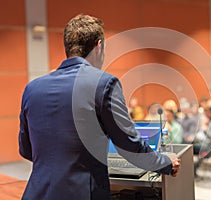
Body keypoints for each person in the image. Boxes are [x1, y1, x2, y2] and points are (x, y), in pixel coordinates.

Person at [18, 14, 180, 200]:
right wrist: (164, 162)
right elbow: (128, 144)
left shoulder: (32, 89)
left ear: (68, 48)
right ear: (99, 45)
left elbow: (26, 149)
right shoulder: (104, 83)